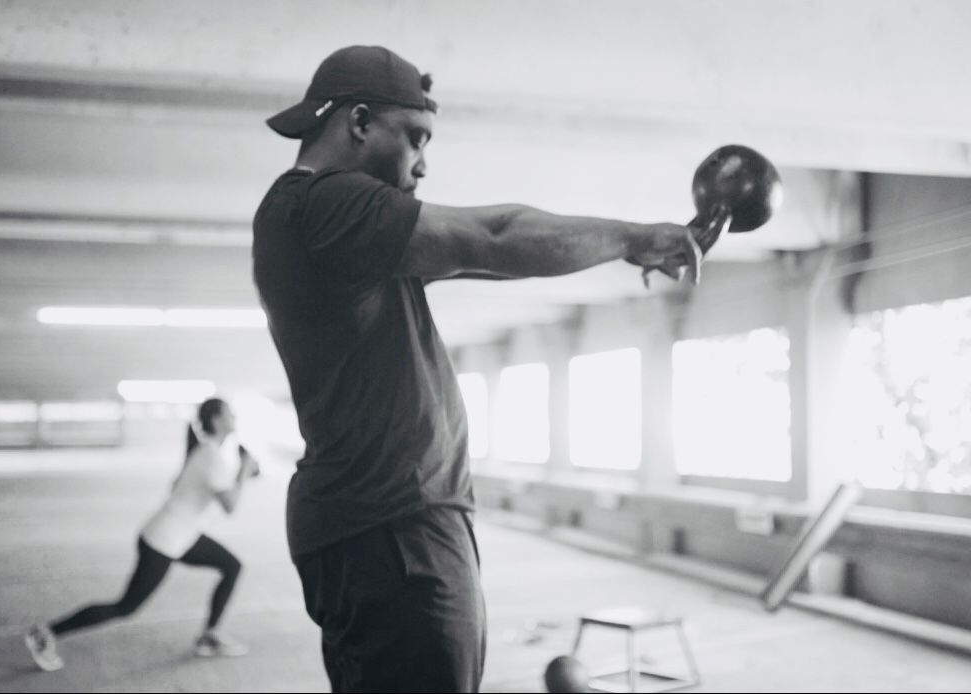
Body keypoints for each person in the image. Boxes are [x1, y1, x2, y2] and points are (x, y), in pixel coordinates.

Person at [252, 45, 708, 693]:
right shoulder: (325, 205)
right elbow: (492, 236)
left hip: (387, 523)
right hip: (391, 527)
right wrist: (635, 238)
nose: (423, 163)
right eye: (415, 138)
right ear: (358, 123)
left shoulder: (328, 228)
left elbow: (480, 258)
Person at [23, 397, 259, 672]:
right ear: (217, 420)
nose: (235, 417)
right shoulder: (211, 456)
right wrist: (245, 469)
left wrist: (242, 472)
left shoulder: (208, 453)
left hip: (182, 536)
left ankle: (210, 636)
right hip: (163, 542)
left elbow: (200, 485)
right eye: (230, 413)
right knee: (125, 607)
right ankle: (45, 633)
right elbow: (230, 505)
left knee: (232, 565)